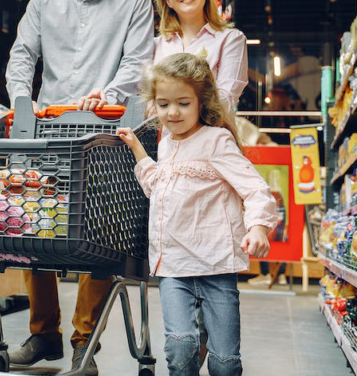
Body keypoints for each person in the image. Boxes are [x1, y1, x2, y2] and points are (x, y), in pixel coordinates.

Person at [5, 0, 154, 374]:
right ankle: (43, 334)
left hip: (105, 131)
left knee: (102, 237)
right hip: (47, 130)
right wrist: (20, 102)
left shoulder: (134, 0)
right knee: (38, 229)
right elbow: (23, 52)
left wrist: (108, 95)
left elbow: (137, 62)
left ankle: (83, 344)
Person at [117, 53, 278, 376]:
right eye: (163, 104)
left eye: (183, 103)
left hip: (216, 263)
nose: (172, 112)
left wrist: (258, 227)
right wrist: (138, 150)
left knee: (224, 362)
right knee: (180, 347)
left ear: (201, 102)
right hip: (173, 263)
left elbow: (255, 189)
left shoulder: (216, 140)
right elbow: (158, 187)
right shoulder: (164, 144)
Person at [79, 0, 248, 114]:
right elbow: (137, 93)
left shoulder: (231, 39)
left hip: (209, 139)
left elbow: (226, 98)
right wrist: (106, 96)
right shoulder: (153, 46)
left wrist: (168, 108)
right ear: (167, 0)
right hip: (159, 142)